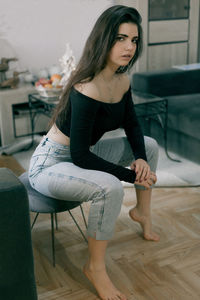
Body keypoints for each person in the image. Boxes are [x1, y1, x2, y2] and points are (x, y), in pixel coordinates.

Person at [29, 5, 160, 300]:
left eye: (134, 40)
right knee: (110, 187)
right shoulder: (86, 86)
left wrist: (140, 159)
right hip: (51, 163)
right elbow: (80, 156)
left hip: (80, 153)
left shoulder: (122, 80)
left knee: (149, 146)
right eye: (120, 39)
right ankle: (95, 268)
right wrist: (132, 175)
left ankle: (142, 213)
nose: (129, 47)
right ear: (104, 40)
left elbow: (132, 123)